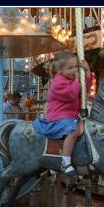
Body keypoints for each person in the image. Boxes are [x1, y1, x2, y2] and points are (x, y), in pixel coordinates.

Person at [32, 50, 92, 178]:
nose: (75, 70)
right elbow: (71, 95)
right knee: (72, 130)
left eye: (76, 66)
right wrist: (77, 79)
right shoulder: (57, 83)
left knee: (87, 129)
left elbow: (85, 89)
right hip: (59, 116)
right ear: (60, 70)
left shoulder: (71, 80)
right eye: (70, 68)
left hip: (70, 115)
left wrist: (86, 72)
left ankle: (73, 159)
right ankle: (65, 162)